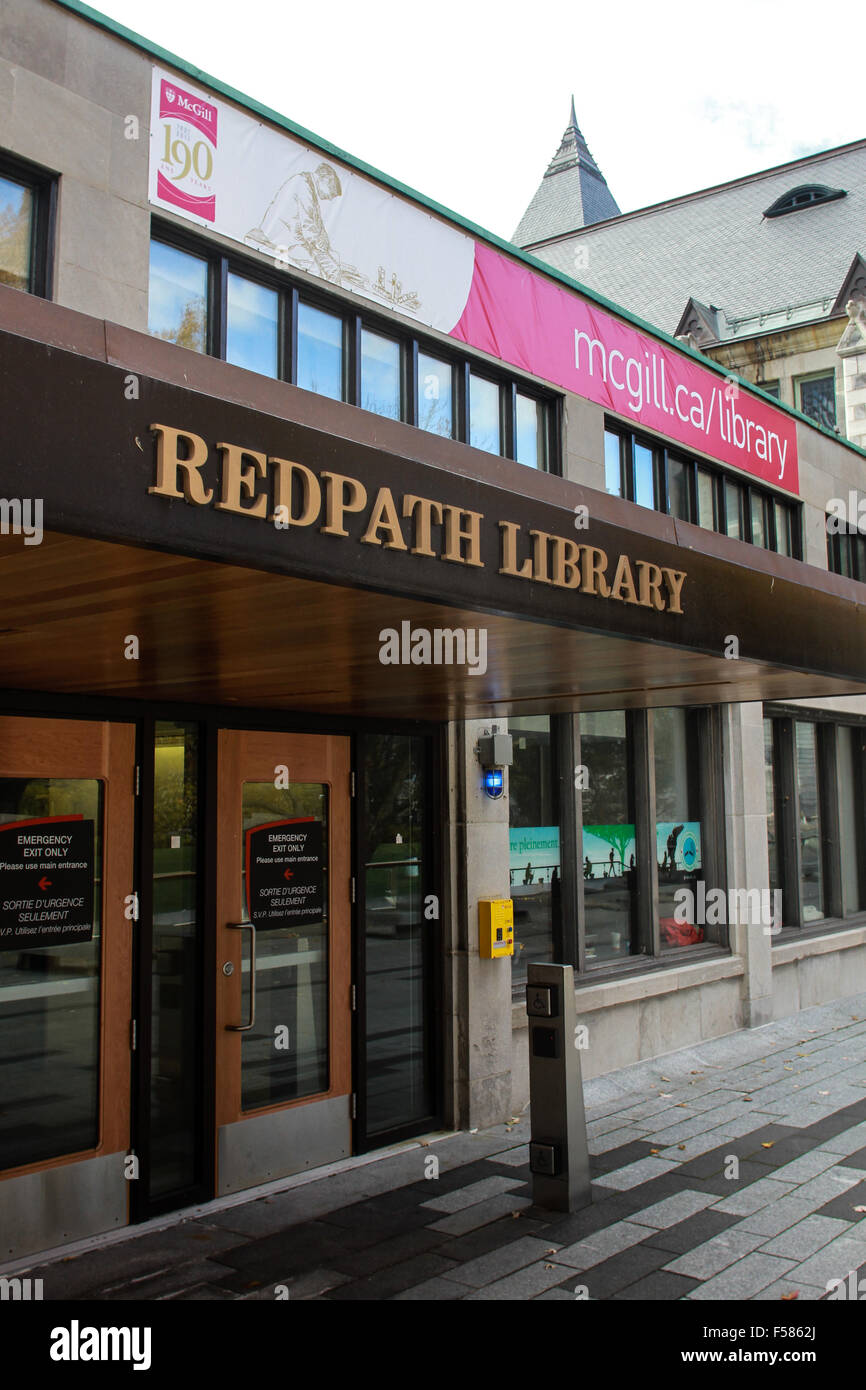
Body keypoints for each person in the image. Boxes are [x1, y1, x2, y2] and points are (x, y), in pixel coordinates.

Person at [247, 162, 359, 285]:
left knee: (331, 264)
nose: (330, 198)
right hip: (283, 240)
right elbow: (308, 226)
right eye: (331, 191)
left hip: (294, 240)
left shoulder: (308, 186)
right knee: (315, 271)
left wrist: (324, 242)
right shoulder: (303, 184)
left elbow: (316, 223)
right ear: (324, 180)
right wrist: (321, 248)